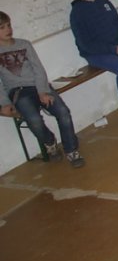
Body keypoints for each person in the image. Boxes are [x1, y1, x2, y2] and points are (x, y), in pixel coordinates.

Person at [0, 11, 84, 168]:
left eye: (8, 25)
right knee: (34, 120)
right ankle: (49, 142)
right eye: (2, 27)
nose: (8, 30)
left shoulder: (24, 44)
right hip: (18, 91)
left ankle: (71, 150)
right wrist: (5, 103)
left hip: (39, 85)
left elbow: (38, 69)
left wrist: (42, 91)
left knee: (63, 112)